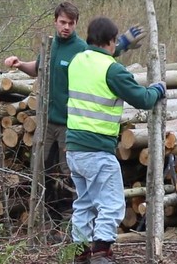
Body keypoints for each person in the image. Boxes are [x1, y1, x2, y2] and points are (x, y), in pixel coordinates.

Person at [3, 2, 145, 238]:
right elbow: (38, 68)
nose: (66, 27)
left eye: (71, 23)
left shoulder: (80, 49)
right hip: (46, 123)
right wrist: (20, 65)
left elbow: (100, 57)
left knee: (68, 179)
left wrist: (121, 45)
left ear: (76, 24)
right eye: (62, 22)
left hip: (72, 125)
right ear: (55, 21)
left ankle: (70, 229)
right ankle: (47, 225)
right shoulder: (50, 47)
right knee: (44, 174)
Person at [66, 16, 165, 264]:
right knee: (111, 202)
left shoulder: (77, 60)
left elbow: (98, 57)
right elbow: (143, 99)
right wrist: (158, 89)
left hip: (74, 150)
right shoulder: (113, 70)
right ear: (110, 41)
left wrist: (121, 45)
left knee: (84, 203)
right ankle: (101, 252)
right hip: (97, 150)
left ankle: (79, 253)